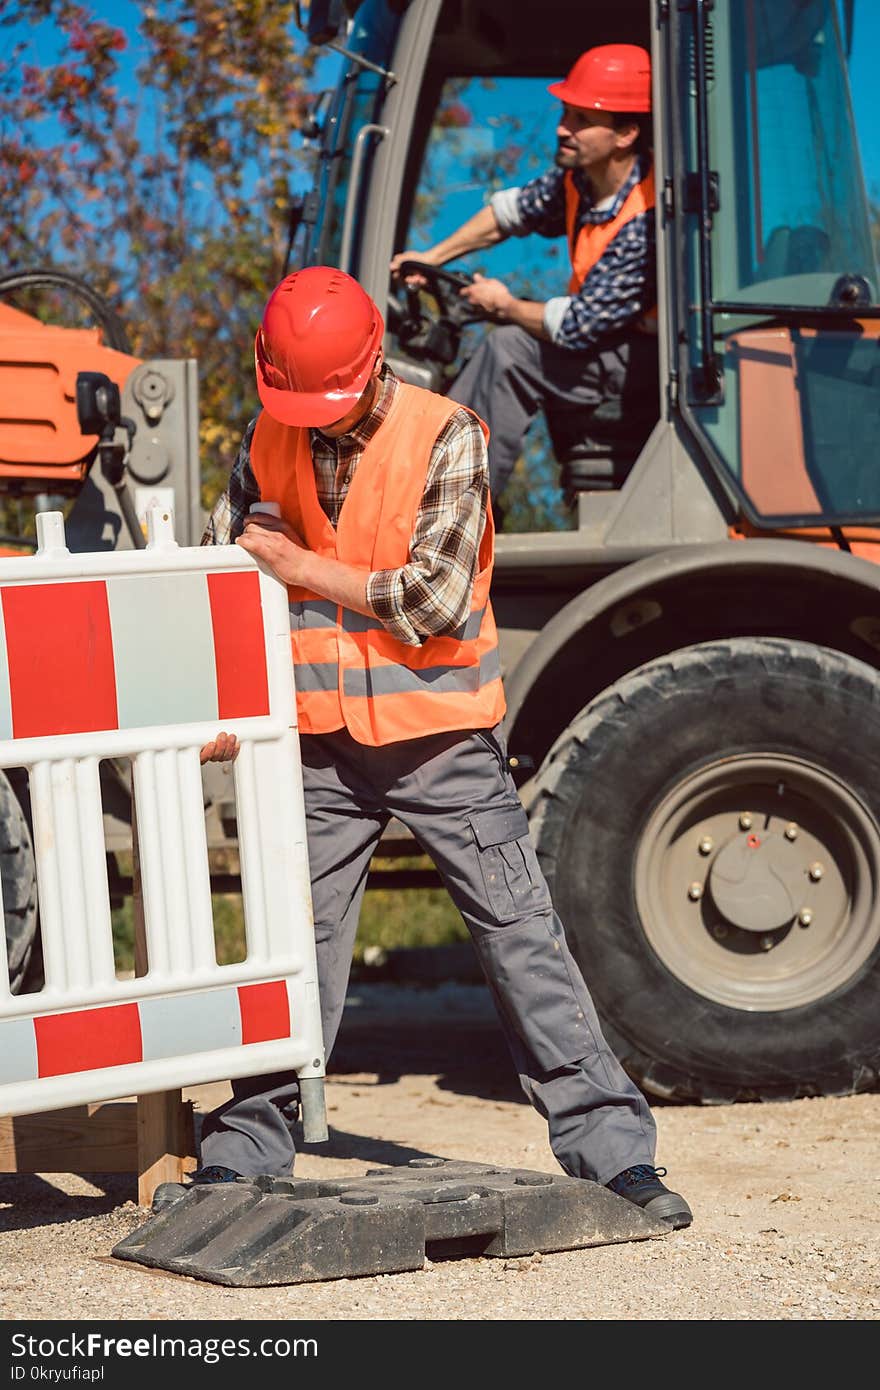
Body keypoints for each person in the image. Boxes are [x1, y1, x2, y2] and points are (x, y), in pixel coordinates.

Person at [192, 264, 691, 1231]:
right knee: (294, 952)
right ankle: (246, 1152)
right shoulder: (268, 434)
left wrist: (295, 563)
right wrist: (227, 700)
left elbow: (433, 601)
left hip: (441, 745)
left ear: (373, 367)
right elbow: (226, 574)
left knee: (521, 940)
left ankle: (614, 1156)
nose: (316, 423)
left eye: (328, 403)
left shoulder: (445, 434)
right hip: (319, 746)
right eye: (297, 404)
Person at [390, 43, 658, 511]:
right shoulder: (579, 182)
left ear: (626, 134)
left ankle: (449, 508)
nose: (562, 128)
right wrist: (431, 257)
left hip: (646, 364)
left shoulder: (645, 219)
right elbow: (507, 214)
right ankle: (428, 481)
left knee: (511, 349)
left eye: (580, 119)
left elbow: (578, 326)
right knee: (515, 334)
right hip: (605, 346)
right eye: (565, 113)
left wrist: (504, 306)